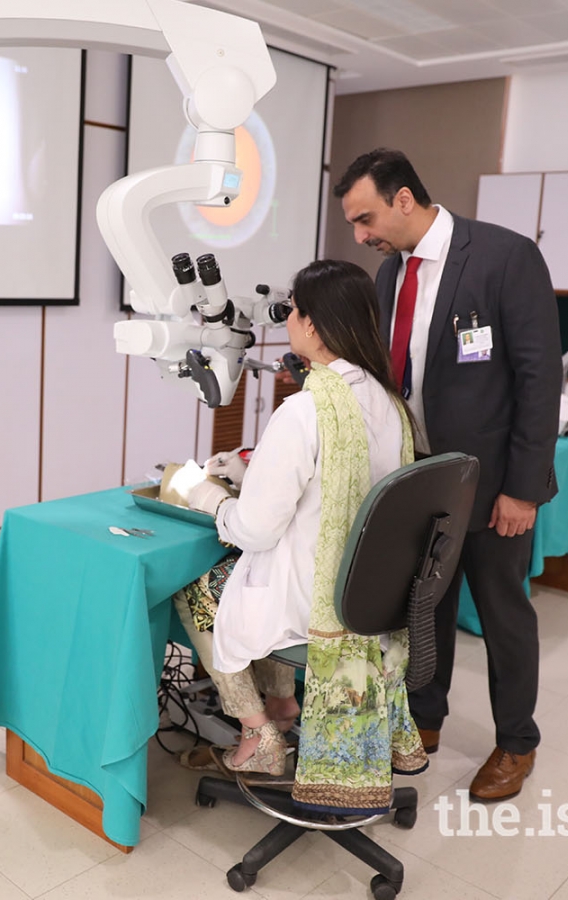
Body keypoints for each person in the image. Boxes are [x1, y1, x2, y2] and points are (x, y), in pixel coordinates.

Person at [334, 148, 562, 801]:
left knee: (502, 614)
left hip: (493, 488)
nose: (361, 235)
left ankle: (517, 741)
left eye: (366, 217)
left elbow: (539, 379)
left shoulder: (502, 257)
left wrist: (522, 486)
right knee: (425, 605)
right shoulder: (390, 274)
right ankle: (423, 720)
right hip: (423, 479)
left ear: (404, 198)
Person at [170, 258, 413, 778]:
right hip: (370, 597)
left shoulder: (305, 411)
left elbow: (255, 528)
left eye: (295, 309)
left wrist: (207, 494)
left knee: (199, 586)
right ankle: (282, 705)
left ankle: (258, 733)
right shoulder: (391, 404)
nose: (288, 318)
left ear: (314, 327)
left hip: (316, 604)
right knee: (262, 574)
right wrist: (253, 472)